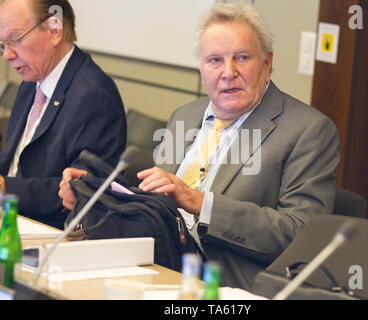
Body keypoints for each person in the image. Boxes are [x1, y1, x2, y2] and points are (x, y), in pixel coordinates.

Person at [59, 3, 339, 291]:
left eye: (242, 57)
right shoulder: (185, 116)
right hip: (155, 265)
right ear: (202, 69)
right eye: (215, 60)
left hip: (225, 284)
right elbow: (156, 206)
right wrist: (96, 194)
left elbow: (302, 234)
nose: (228, 72)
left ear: (267, 64)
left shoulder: (308, 130)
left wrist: (201, 203)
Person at [0, 0, 127, 229]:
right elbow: (15, 163)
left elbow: (78, 192)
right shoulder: (31, 81)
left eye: (15, 40)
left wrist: (6, 188)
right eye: (3, 44)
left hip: (52, 234)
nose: (7, 55)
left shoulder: (94, 96)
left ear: (55, 31)